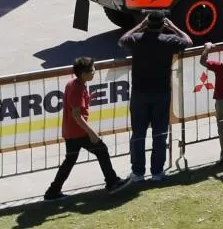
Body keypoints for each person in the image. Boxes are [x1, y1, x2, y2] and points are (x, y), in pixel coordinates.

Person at [44, 57, 132, 200]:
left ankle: (52, 191)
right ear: (83, 74)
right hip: (78, 132)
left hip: (71, 132)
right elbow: (77, 115)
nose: (94, 72)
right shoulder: (77, 88)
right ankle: (112, 182)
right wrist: (92, 133)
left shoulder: (74, 83)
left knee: (70, 160)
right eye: (92, 70)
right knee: (101, 149)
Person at [118, 13, 192, 181]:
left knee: (138, 134)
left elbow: (122, 40)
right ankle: (157, 172)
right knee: (159, 134)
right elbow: (188, 41)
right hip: (161, 94)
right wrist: (173, 27)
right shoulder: (168, 40)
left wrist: (140, 26)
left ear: (147, 23)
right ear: (162, 25)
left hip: (139, 94)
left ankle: (137, 172)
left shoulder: (137, 38)